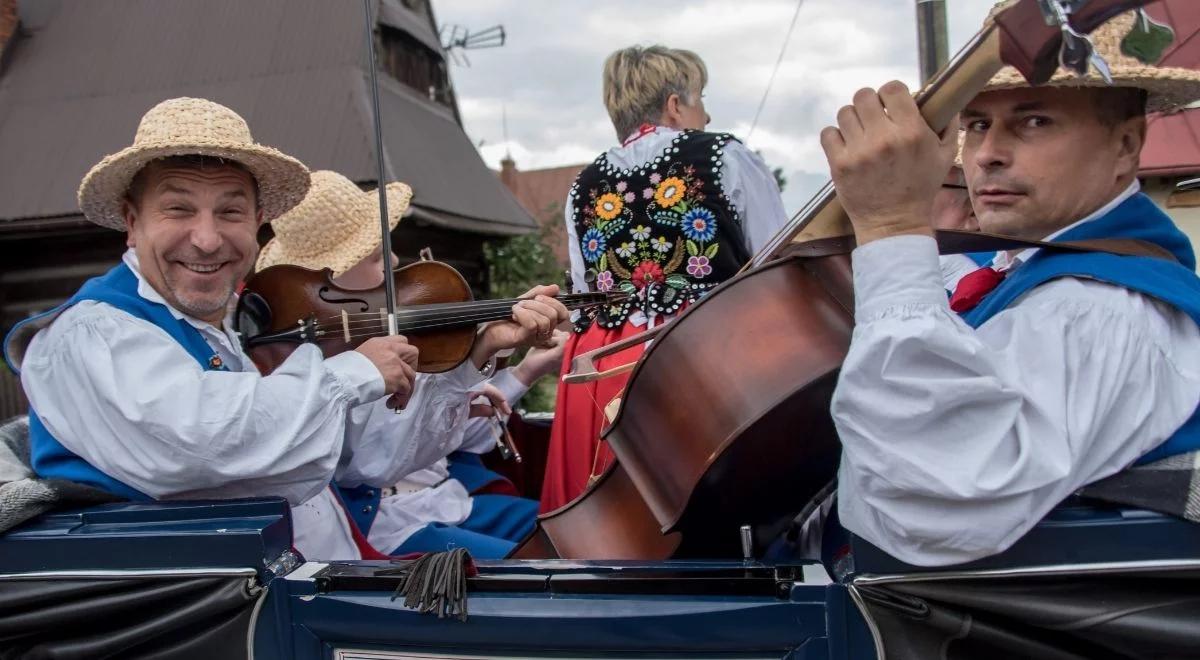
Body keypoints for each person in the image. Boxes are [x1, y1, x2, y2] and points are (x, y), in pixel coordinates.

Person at [3, 98, 564, 560]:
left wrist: (472, 355)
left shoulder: (225, 331)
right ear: (132, 223)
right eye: (178, 209)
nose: (206, 239)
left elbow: (365, 462)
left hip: (319, 586)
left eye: (230, 212)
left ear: (255, 225)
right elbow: (201, 442)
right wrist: (351, 376)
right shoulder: (90, 334)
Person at [819, 9, 1200, 566]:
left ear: (1125, 146)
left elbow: (933, 502)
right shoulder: (1027, 268)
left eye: (1034, 121)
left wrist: (891, 231)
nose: (987, 153)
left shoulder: (1100, 308)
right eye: (976, 125)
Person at [255, 169, 567, 557]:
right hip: (386, 524)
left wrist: (482, 351)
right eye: (373, 255)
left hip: (439, 499)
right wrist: (476, 360)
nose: (392, 258)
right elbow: (378, 464)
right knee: (542, 561)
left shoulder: (382, 336)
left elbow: (429, 440)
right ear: (328, 282)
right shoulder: (310, 364)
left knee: (567, 531)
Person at [541, 45, 791, 512]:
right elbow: (776, 264)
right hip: (699, 352)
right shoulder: (725, 155)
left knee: (610, 515)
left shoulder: (583, 184)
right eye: (700, 99)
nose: (707, 112)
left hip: (602, 365)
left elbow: (585, 291)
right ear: (676, 105)